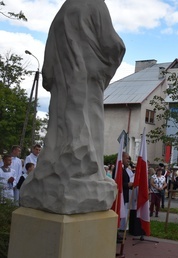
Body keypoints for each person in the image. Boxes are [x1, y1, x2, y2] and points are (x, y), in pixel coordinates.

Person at [20, 0, 124, 214]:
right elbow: (113, 44)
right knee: (89, 123)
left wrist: (52, 76)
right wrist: (107, 66)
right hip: (86, 80)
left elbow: (48, 64)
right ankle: (83, 170)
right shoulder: (94, 4)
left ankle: (55, 164)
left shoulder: (63, 11)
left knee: (60, 123)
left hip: (63, 82)